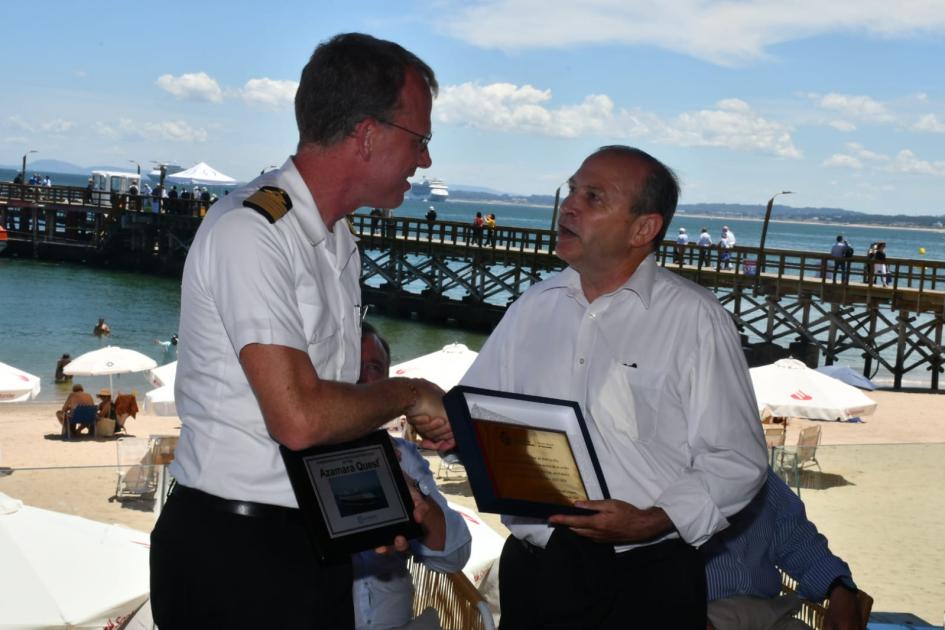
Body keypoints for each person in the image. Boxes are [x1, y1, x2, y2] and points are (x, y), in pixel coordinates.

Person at [150, 32, 452, 629]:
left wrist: (372, 508)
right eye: (419, 139)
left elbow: (325, 424)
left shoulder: (335, 238)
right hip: (234, 553)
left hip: (308, 538)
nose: (425, 160)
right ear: (367, 134)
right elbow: (299, 417)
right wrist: (410, 391)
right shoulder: (254, 230)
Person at [460, 145, 768, 628]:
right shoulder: (533, 306)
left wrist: (655, 518)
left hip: (644, 577)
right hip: (535, 568)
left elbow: (739, 460)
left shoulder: (695, 319)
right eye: (573, 189)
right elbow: (479, 415)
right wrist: (448, 429)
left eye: (594, 197)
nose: (570, 205)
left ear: (644, 228)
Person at [354, 323, 471, 630]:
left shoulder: (404, 454)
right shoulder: (292, 454)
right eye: (352, 363)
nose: (362, 377)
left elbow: (454, 556)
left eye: (374, 368)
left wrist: (402, 483)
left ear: (387, 383)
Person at [704, 469, 861, 630]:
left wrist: (840, 588)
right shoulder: (679, 477)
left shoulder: (756, 470)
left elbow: (798, 541)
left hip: (771, 614)